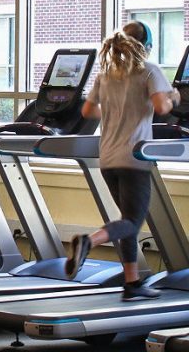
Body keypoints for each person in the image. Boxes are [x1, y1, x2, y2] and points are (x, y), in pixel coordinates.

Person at [65, 20, 181, 301]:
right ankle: (88, 241)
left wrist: (116, 110)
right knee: (132, 220)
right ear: (146, 47)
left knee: (127, 221)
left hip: (108, 158)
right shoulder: (149, 70)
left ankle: (132, 283)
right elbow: (161, 107)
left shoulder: (107, 74)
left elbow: (88, 110)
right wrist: (174, 97)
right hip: (135, 156)